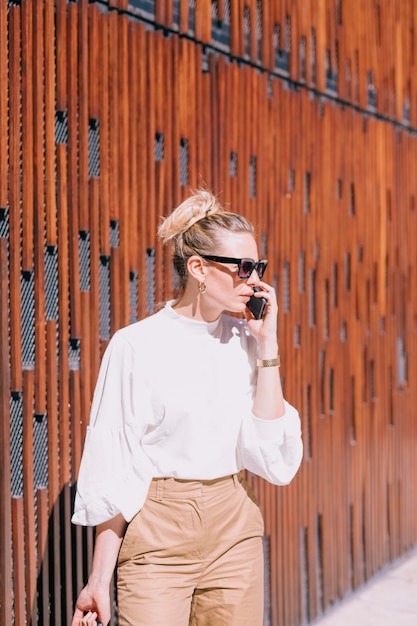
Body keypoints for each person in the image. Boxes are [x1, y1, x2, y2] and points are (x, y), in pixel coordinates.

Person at [71, 189, 303, 626]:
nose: (255, 281)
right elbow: (115, 465)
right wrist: (98, 581)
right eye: (244, 268)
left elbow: (274, 459)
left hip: (233, 526)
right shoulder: (136, 345)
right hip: (158, 532)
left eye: (260, 267)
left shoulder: (246, 343)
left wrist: (268, 344)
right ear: (198, 268)